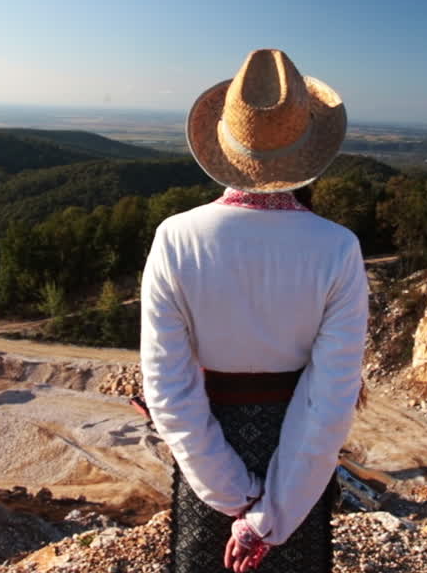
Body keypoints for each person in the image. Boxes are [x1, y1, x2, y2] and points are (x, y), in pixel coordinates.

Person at [140, 49, 369, 572]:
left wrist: (234, 497)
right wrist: (270, 517)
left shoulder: (175, 239)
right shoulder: (338, 248)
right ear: (307, 149)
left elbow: (169, 390)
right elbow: (331, 400)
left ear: (226, 142)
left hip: (206, 455)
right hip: (301, 467)